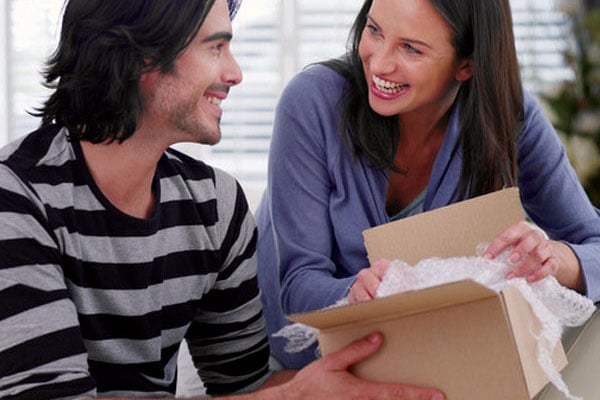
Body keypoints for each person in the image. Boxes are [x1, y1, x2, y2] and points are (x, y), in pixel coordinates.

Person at [0, 0, 446, 399]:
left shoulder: (215, 205)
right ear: (142, 57)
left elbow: (243, 387)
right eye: (216, 47)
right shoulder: (16, 197)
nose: (234, 73)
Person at [255, 0, 600, 370]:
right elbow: (296, 285)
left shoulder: (508, 116)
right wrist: (352, 294)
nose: (379, 63)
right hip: (286, 363)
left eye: (411, 48)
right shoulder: (313, 103)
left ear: (466, 64)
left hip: (425, 359)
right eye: (374, 30)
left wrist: (562, 260)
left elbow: (592, 241)